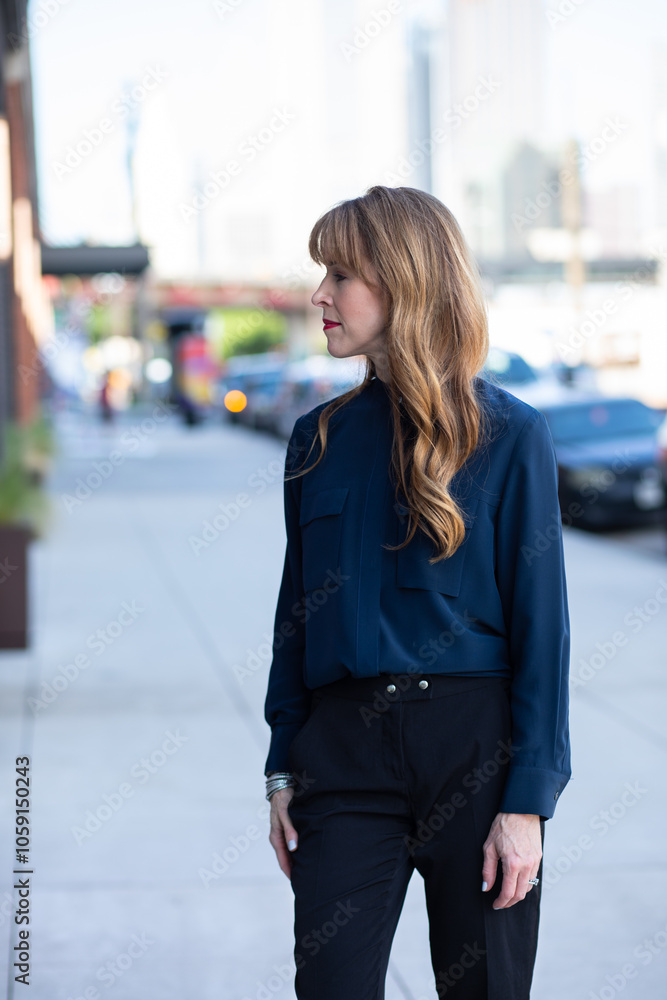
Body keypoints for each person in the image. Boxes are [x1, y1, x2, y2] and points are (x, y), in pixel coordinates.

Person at [263, 186, 571, 1000]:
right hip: (342, 757)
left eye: (341, 275)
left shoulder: (509, 435)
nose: (320, 296)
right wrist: (280, 766)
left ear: (403, 282)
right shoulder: (315, 440)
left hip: (473, 754)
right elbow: (294, 617)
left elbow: (544, 629)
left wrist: (527, 802)